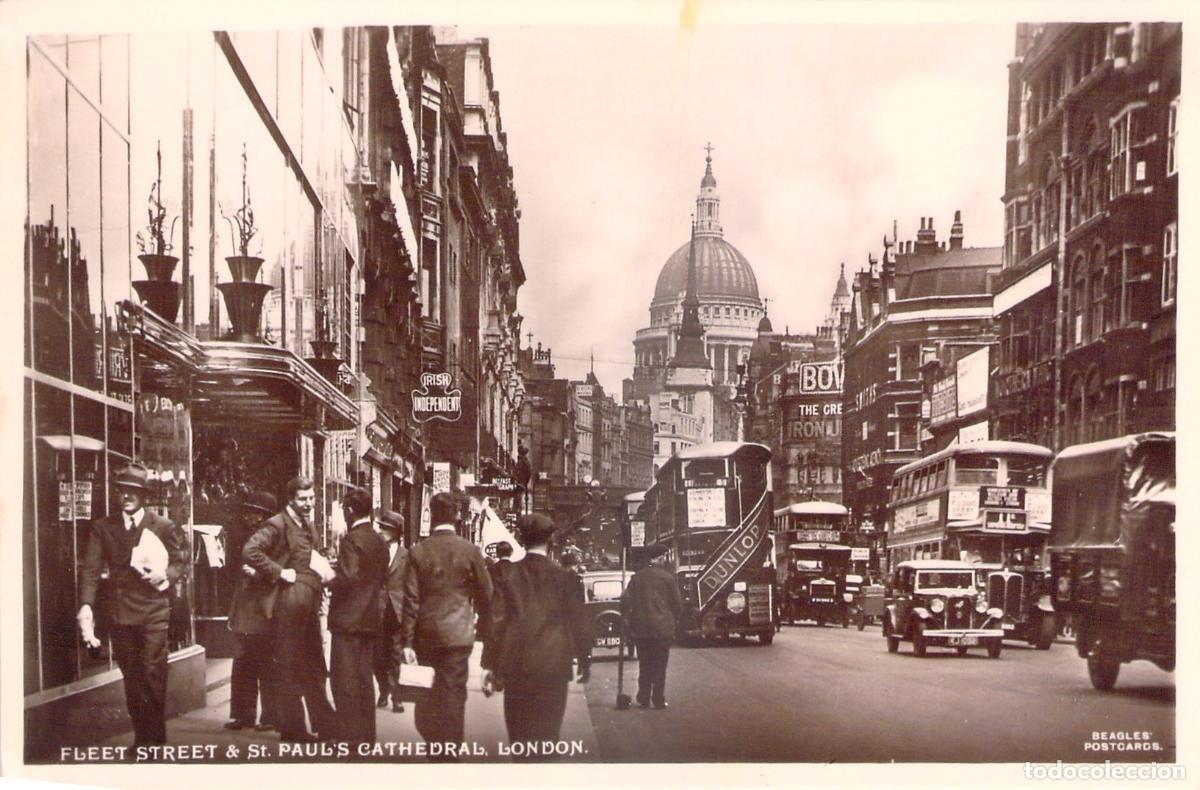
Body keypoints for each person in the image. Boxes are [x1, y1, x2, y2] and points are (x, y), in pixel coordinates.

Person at [77, 463, 188, 746]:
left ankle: (150, 739)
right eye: (121, 491)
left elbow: (180, 563)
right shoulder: (104, 527)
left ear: (144, 495)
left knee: (153, 671)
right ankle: (144, 734)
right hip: (120, 613)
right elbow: (91, 569)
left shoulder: (163, 526)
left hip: (154, 611)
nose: (126, 496)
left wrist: (166, 575)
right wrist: (86, 605)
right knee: (132, 676)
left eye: (132, 491)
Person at [481, 514, 591, 760]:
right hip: (554, 668)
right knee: (548, 738)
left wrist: (489, 664)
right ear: (550, 541)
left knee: (520, 741)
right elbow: (579, 622)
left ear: (522, 539)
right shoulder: (565, 578)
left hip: (517, 668)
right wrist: (585, 659)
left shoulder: (509, 576)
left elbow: (496, 621)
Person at [399, 492, 493, 760]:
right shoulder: (470, 551)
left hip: (426, 636)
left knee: (427, 696)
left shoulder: (417, 552)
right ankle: (450, 752)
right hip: (458, 637)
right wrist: (486, 635)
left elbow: (410, 600)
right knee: (453, 696)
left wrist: (407, 642)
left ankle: (435, 748)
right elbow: (487, 597)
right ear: (457, 516)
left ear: (431, 514)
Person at [243, 476, 336, 743]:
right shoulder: (277, 524)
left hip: (308, 604)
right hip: (287, 604)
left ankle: (326, 725)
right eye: (302, 499)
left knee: (314, 664)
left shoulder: (306, 523)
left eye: (311, 498)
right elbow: (250, 551)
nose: (308, 504)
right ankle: (292, 729)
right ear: (291, 499)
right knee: (290, 665)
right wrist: (279, 572)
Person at [328, 489, 389, 744]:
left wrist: (329, 579)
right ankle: (366, 736)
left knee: (344, 680)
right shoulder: (379, 541)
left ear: (350, 511)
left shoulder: (351, 540)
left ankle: (349, 737)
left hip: (348, 619)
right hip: (370, 619)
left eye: (345, 509)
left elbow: (349, 577)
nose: (344, 513)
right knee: (364, 678)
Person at [225, 490, 280, 731]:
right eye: (248, 512)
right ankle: (243, 715)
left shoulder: (273, 539)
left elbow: (282, 571)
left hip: (266, 610)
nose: (248, 516)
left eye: (254, 513)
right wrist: (233, 613)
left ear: (263, 516)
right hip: (246, 610)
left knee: (267, 665)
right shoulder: (246, 538)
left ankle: (269, 717)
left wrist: (259, 575)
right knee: (243, 664)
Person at [621, 544, 681, 710]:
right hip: (662, 630)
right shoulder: (668, 578)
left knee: (644, 664)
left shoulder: (637, 578)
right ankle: (658, 699)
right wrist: (673, 618)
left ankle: (644, 697)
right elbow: (677, 604)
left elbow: (625, 601)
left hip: (641, 629)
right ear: (660, 558)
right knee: (660, 666)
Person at [374, 510, 407, 713]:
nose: (381, 531)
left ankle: (397, 696)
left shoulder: (407, 555)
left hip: (397, 611)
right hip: (376, 610)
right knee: (378, 655)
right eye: (381, 527)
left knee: (396, 654)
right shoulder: (374, 552)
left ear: (397, 532)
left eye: (386, 528)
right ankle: (383, 689)